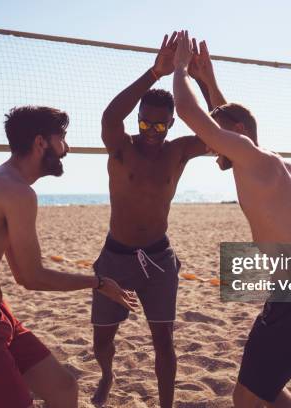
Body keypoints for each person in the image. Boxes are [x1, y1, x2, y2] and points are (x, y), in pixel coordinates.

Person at [172, 31, 291, 408]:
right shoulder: (268, 160)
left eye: (216, 138)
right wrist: (208, 81)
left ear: (235, 136)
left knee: (248, 397)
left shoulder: (252, 157)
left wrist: (180, 67)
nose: (209, 147)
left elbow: (190, 114)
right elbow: (228, 118)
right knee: (259, 392)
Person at [0, 106, 138, 408]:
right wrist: (99, 282)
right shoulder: (15, 191)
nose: (67, 147)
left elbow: (21, 274)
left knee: (64, 388)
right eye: (62, 138)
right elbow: (31, 277)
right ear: (41, 143)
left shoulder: (11, 186)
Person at [91, 31, 211, 408]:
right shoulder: (121, 148)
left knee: (164, 339)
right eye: (147, 123)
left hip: (159, 258)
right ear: (139, 120)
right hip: (115, 257)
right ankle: (108, 375)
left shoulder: (177, 152)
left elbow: (220, 131)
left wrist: (203, 82)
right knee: (102, 340)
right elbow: (111, 115)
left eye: (161, 126)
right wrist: (155, 73)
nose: (152, 132)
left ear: (172, 124)